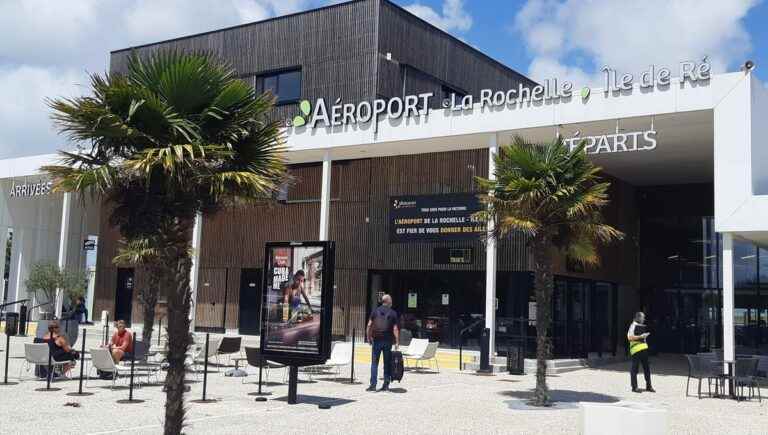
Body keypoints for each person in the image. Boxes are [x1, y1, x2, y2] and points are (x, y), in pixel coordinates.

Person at [366, 294, 399, 392]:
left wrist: (368, 337)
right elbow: (395, 328)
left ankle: (373, 385)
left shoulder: (375, 311)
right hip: (388, 341)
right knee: (387, 363)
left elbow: (369, 325)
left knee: (374, 363)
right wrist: (397, 342)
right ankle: (386, 385)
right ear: (388, 302)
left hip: (376, 340)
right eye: (391, 300)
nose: (392, 302)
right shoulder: (393, 313)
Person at [627, 311, 654, 393]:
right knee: (634, 369)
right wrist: (640, 336)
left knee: (647, 369)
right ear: (638, 317)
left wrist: (644, 336)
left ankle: (649, 386)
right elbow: (629, 337)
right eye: (643, 317)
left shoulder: (641, 326)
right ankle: (634, 387)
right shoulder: (633, 326)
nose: (644, 319)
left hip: (644, 350)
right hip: (636, 350)